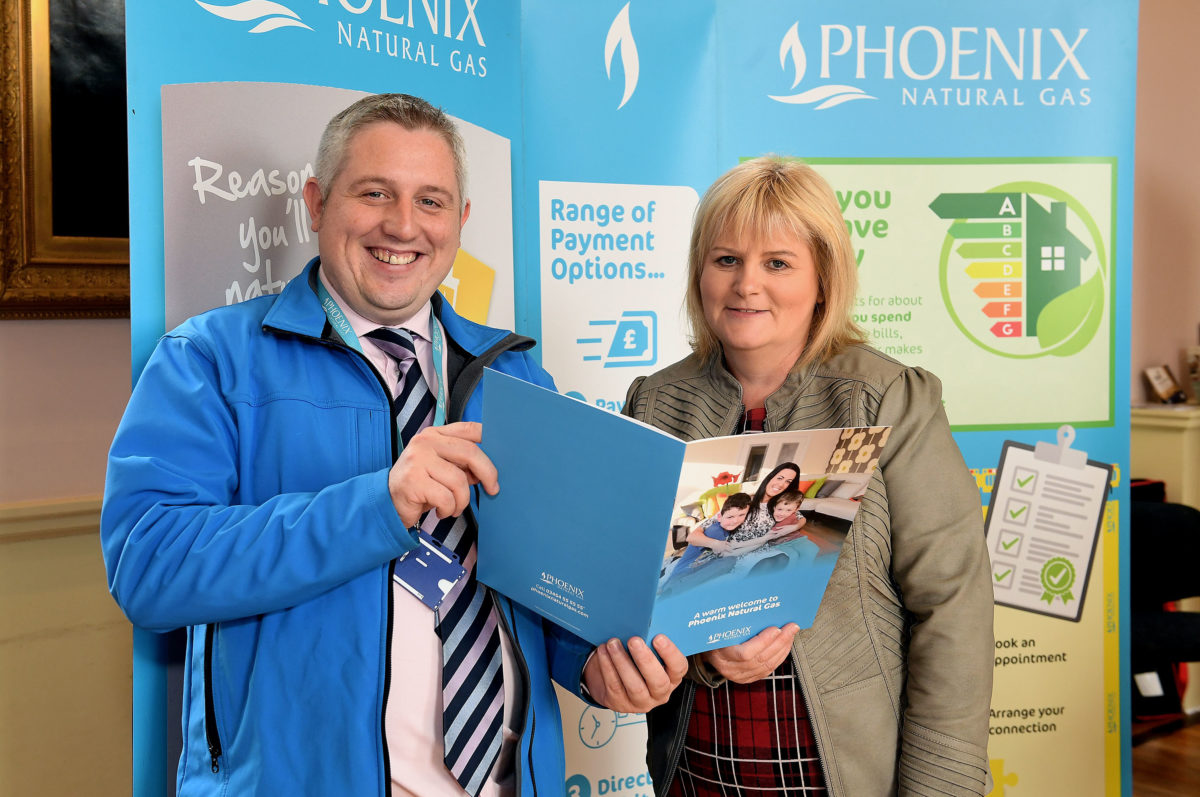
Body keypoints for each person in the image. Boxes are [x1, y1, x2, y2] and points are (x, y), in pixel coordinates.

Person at [101, 93, 684, 797]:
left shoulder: (515, 374)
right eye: (374, 192)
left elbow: (542, 591)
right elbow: (148, 566)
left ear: (461, 222)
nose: (403, 225)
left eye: (431, 201)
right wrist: (376, 503)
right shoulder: (210, 359)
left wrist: (596, 661)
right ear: (316, 203)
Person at [624, 156, 994, 796]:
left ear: (824, 278)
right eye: (726, 260)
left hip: (843, 772)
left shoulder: (884, 399)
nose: (746, 285)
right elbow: (629, 590)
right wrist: (699, 646)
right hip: (696, 765)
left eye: (777, 263)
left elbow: (953, 604)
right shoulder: (657, 404)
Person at [736, 461, 802, 540]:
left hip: (764, 548)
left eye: (788, 482)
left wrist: (794, 527)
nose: (781, 484)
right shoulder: (745, 500)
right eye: (780, 478)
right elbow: (720, 519)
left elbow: (801, 518)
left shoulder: (781, 504)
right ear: (770, 477)